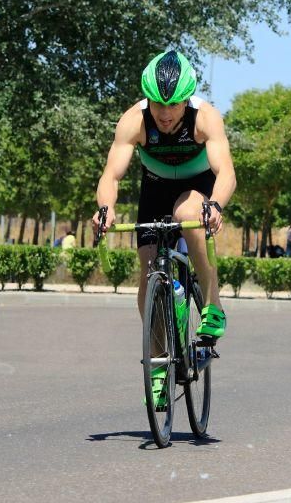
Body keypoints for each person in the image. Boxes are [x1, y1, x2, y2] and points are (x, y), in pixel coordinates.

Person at [92, 50, 236, 361]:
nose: (165, 112)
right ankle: (158, 362)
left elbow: (226, 171)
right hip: (155, 189)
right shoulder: (134, 121)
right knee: (148, 270)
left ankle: (213, 305)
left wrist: (216, 206)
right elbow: (111, 176)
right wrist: (106, 209)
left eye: (173, 104)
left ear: (186, 99)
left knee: (187, 213)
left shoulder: (205, 117)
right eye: (158, 103)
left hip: (196, 188)